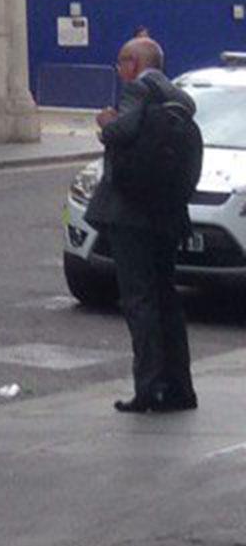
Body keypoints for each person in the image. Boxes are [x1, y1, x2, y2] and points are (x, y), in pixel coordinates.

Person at [89, 36, 198, 414]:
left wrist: (106, 122)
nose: (119, 71)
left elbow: (121, 132)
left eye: (121, 63)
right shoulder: (177, 97)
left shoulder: (137, 90)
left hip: (130, 213)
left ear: (133, 64)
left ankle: (148, 387)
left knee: (140, 301)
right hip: (166, 211)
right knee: (166, 297)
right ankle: (180, 387)